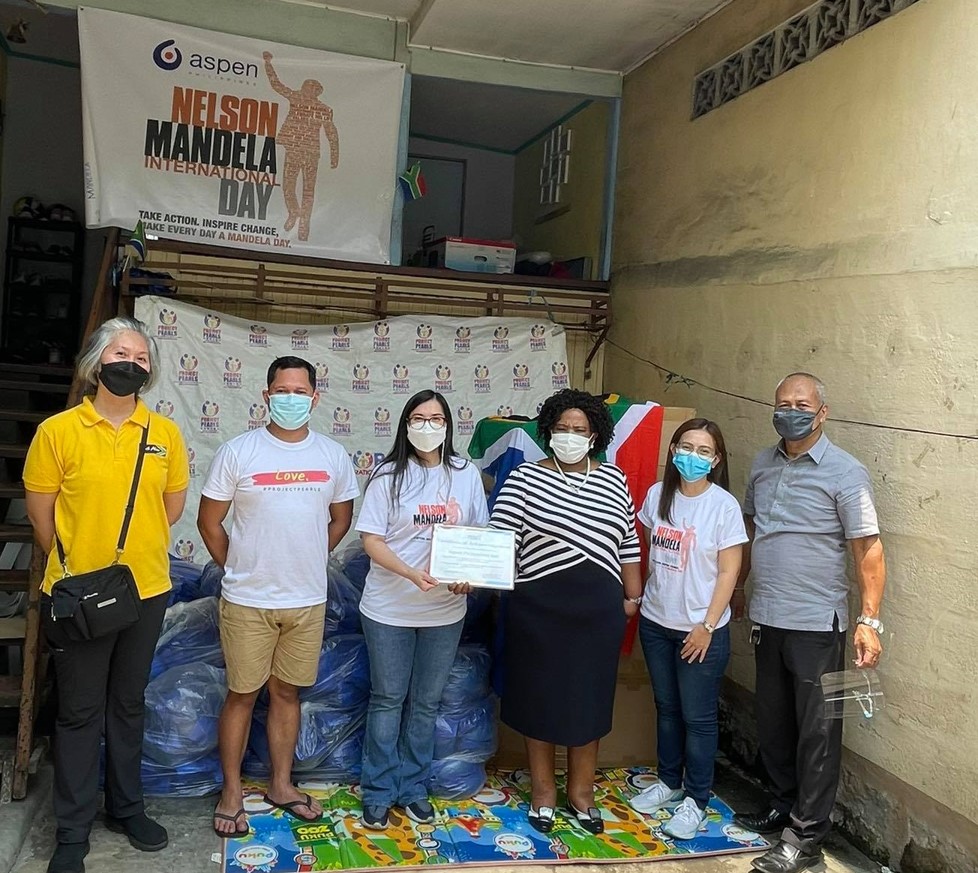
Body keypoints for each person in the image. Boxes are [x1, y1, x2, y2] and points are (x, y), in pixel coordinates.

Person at [23, 317, 189, 873]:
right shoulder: (59, 431)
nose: (132, 365)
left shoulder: (163, 434)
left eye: (142, 359)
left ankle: (126, 807)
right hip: (75, 596)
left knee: (128, 703)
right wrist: (78, 564)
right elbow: (41, 516)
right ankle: (72, 829)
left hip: (144, 590)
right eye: (123, 354)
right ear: (96, 363)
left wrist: (131, 556)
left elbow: (170, 507)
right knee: (78, 711)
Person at [197, 356, 359, 837]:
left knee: (287, 693)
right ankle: (231, 791)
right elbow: (210, 522)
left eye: (299, 391)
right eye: (281, 391)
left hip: (306, 599)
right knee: (242, 694)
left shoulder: (332, 455)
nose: (291, 398)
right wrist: (240, 565)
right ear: (266, 397)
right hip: (247, 599)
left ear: (315, 396)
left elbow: (341, 519)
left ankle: (281, 785)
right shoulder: (239, 451)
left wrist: (306, 557)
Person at [733, 373, 886, 873]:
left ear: (822, 413)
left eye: (801, 403)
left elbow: (867, 547)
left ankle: (806, 839)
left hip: (820, 623)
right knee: (774, 722)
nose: (790, 410)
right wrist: (738, 586)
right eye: (782, 403)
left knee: (818, 733)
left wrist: (869, 620)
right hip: (768, 615)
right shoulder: (762, 463)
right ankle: (782, 804)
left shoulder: (846, 472)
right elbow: (752, 528)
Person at [488, 388, 643, 835]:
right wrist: (470, 570)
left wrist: (632, 598)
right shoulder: (523, 479)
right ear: (548, 432)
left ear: (596, 435)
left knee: (588, 704)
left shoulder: (614, 480)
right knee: (539, 700)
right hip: (537, 610)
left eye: (580, 430)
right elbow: (500, 542)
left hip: (597, 614)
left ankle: (582, 793)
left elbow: (628, 543)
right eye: (562, 429)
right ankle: (543, 792)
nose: (570, 436)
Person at [355, 390, 489, 830]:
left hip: (445, 610)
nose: (427, 426)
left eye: (436, 418)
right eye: (418, 417)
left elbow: (478, 534)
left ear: (449, 425)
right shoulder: (388, 475)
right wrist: (411, 573)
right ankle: (377, 790)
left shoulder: (465, 473)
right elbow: (371, 539)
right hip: (389, 608)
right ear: (405, 424)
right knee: (388, 699)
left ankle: (413, 789)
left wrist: (470, 574)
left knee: (426, 704)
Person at [628, 419, 748, 840]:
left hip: (701, 629)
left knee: (698, 718)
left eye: (703, 451)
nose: (692, 457)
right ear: (673, 450)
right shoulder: (656, 496)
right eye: (685, 447)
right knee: (667, 708)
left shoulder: (723, 506)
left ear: (716, 460)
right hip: (657, 622)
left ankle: (696, 798)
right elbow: (643, 550)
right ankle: (669, 781)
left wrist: (707, 625)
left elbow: (729, 570)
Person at [263, 52, 339, 241]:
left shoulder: (324, 109)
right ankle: (293, 212)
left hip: (311, 153)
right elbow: (276, 85)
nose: (307, 89)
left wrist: (334, 155)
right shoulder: (296, 98)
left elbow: (331, 132)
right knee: (288, 185)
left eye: (312, 87)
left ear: (317, 91)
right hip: (293, 149)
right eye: (306, 86)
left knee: (308, 191)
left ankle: (304, 224)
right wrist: (267, 64)